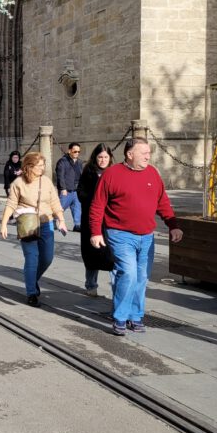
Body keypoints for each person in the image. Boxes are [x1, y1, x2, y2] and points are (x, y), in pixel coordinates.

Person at [89, 138, 182, 336]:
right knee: (128, 274)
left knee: (142, 277)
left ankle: (136, 316)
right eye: (144, 153)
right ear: (130, 154)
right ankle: (120, 317)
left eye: (149, 152)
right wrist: (95, 232)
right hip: (120, 234)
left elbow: (162, 202)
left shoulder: (152, 173)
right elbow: (97, 205)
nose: (148, 156)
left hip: (146, 236)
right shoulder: (111, 174)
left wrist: (173, 226)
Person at [0, 151, 67, 306]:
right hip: (27, 224)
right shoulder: (18, 183)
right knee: (32, 257)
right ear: (29, 166)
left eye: (43, 165)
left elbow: (55, 202)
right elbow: (11, 204)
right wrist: (3, 224)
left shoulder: (46, 181)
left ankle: (31, 279)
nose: (43, 168)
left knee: (47, 258)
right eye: (40, 165)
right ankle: (31, 292)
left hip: (46, 223)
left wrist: (61, 220)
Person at [77, 143, 116, 297]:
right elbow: (81, 194)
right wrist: (97, 201)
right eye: (100, 157)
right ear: (95, 157)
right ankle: (91, 285)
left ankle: (117, 288)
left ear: (110, 158)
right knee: (92, 253)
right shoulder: (88, 172)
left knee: (114, 253)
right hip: (92, 219)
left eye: (106, 157)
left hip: (111, 219)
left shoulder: (115, 172)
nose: (103, 160)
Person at [55, 142, 84, 231]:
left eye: (78, 152)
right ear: (69, 151)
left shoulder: (79, 162)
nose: (77, 153)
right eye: (75, 151)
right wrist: (63, 188)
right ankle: (53, 222)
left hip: (76, 190)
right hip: (66, 190)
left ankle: (77, 225)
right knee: (60, 207)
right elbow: (60, 176)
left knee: (77, 208)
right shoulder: (63, 161)